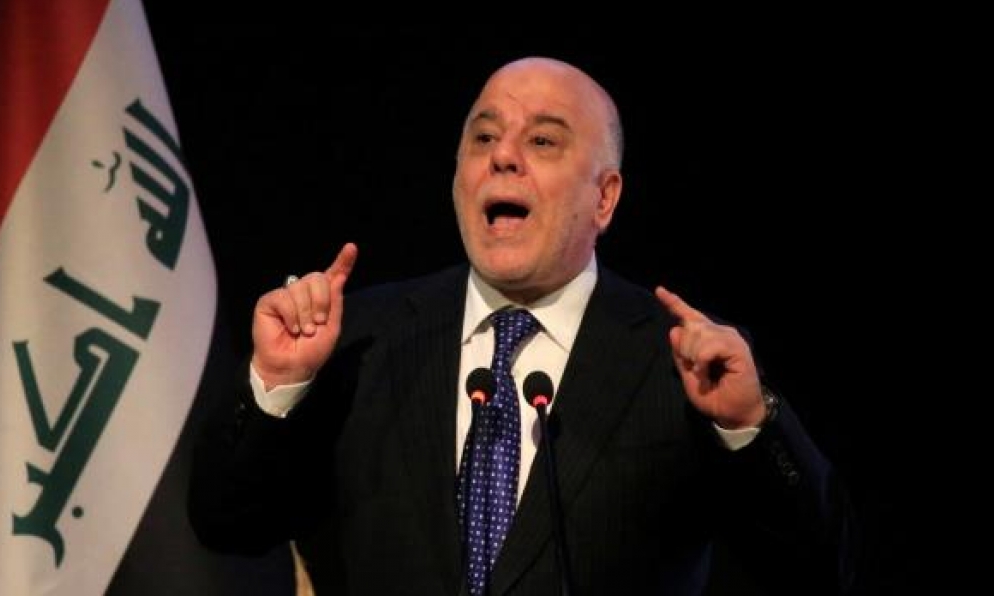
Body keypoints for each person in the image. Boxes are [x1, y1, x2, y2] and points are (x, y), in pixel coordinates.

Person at [188, 56, 856, 595]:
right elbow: (226, 524)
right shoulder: (361, 336)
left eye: (542, 140)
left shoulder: (680, 361)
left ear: (605, 197)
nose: (503, 157)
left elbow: (819, 571)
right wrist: (276, 385)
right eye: (483, 138)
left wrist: (749, 425)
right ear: (457, 177)